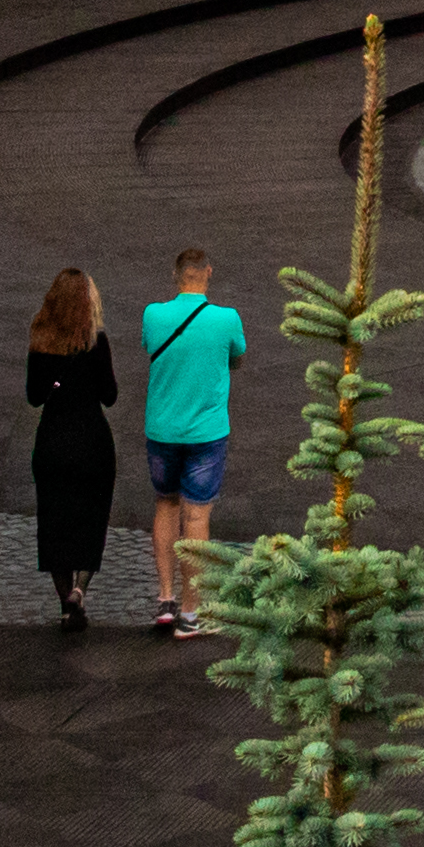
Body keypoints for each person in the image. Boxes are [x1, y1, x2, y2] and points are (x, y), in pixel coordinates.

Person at [135, 245, 249, 637]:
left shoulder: (154, 314)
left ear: (176, 274)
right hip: (206, 432)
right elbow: (237, 357)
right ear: (208, 273)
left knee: (165, 505)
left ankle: (164, 600)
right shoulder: (226, 319)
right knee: (197, 516)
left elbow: (151, 347)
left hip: (162, 430)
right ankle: (190, 612)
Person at [22, 268, 122, 629]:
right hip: (92, 441)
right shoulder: (97, 341)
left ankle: (65, 602)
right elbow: (110, 396)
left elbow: (35, 398)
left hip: (53, 441)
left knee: (54, 524)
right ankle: (81, 589)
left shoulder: (42, 340)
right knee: (92, 518)